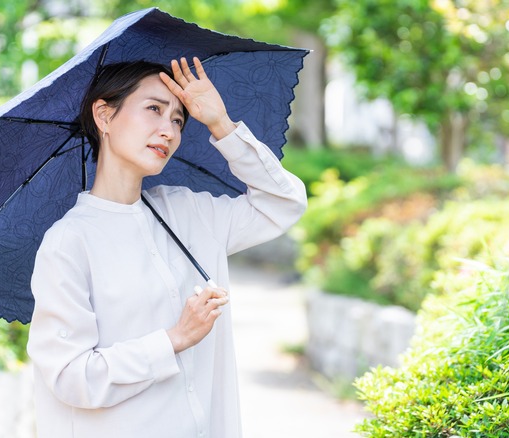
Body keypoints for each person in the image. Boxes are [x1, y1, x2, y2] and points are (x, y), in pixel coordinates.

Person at [26, 56, 307, 437]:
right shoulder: (69, 243)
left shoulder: (189, 212)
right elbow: (71, 377)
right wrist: (174, 339)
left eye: (177, 119)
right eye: (154, 109)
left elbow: (284, 203)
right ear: (104, 117)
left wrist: (219, 123)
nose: (169, 131)